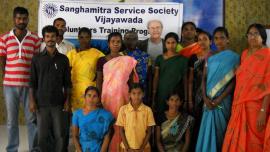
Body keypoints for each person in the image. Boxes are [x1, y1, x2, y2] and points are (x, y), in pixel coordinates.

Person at [222, 23, 270, 152]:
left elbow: (268, 87)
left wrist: (263, 111)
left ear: (263, 37)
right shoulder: (244, 54)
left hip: (257, 106)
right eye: (250, 34)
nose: (252, 37)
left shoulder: (268, 55)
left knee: (256, 141)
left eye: (256, 34)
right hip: (239, 104)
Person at [0, 6, 41, 152]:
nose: (21, 21)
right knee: (11, 121)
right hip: (10, 86)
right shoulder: (4, 38)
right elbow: (3, 59)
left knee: (32, 119)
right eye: (18, 18)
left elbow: (36, 62)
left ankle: (34, 149)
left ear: (28, 19)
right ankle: (12, 149)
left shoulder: (35, 39)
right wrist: (7, 75)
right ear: (14, 19)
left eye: (24, 18)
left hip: (29, 86)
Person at [195, 27, 239, 152]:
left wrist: (219, 99)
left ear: (228, 40)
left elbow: (234, 82)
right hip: (208, 100)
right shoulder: (210, 57)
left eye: (222, 38)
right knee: (207, 129)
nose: (219, 41)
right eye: (216, 38)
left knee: (221, 131)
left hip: (223, 101)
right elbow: (204, 78)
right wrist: (204, 97)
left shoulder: (235, 57)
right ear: (213, 41)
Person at [29, 25, 72, 152]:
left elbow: (67, 83)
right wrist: (32, 101)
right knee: (42, 136)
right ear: (43, 38)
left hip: (58, 103)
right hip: (41, 103)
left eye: (53, 36)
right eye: (47, 36)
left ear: (57, 37)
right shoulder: (36, 59)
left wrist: (67, 101)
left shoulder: (63, 59)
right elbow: (32, 82)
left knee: (60, 134)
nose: (50, 39)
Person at [101, 54, 138, 151]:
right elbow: (100, 81)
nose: (115, 44)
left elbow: (131, 82)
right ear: (109, 43)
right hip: (107, 98)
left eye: (118, 41)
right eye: (113, 41)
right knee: (108, 125)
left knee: (121, 125)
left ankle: (119, 148)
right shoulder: (103, 61)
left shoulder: (127, 61)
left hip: (122, 98)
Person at [67, 27, 104, 111]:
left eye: (87, 37)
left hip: (90, 93)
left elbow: (104, 70)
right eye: (81, 37)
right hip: (74, 92)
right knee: (77, 119)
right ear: (78, 38)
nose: (84, 40)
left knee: (90, 118)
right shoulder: (72, 54)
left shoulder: (97, 53)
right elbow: (66, 75)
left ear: (90, 38)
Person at [187, 30, 212, 151]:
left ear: (210, 41)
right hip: (196, 96)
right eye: (199, 39)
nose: (202, 42)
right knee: (195, 124)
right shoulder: (193, 58)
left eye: (205, 39)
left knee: (207, 124)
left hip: (211, 95)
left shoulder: (215, 57)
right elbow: (190, 80)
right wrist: (190, 100)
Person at [153, 32, 188, 113]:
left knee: (175, 114)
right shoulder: (159, 58)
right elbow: (156, 77)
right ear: (165, 44)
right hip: (162, 92)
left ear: (177, 43)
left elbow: (185, 80)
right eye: (168, 43)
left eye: (173, 43)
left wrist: (186, 99)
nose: (171, 45)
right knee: (160, 115)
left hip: (177, 92)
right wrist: (154, 94)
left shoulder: (183, 60)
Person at [72, 86, 114, 152]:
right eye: (89, 95)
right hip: (82, 148)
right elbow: (75, 135)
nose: (91, 98)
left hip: (99, 148)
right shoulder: (77, 114)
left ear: (98, 98)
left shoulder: (106, 115)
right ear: (84, 97)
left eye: (95, 96)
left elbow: (107, 136)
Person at [116, 83, 156, 152]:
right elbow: (121, 131)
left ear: (143, 94)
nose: (137, 96)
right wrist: (128, 148)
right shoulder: (123, 110)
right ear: (129, 95)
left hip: (143, 148)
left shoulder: (148, 110)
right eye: (134, 93)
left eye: (139, 93)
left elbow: (149, 132)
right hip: (126, 147)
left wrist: (142, 148)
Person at [123, 31, 151, 104]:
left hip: (141, 92)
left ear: (138, 40)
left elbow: (149, 77)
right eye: (128, 39)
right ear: (124, 40)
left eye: (134, 39)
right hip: (124, 92)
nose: (131, 41)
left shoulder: (145, 56)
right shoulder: (120, 56)